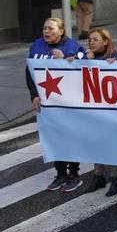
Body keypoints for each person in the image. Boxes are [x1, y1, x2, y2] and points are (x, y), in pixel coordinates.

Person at [27, 17, 85, 192]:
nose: (46, 32)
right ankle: (60, 174)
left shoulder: (72, 46)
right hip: (47, 101)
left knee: (69, 137)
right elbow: (28, 71)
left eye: (50, 28)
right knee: (53, 137)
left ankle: (74, 174)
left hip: (68, 102)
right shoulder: (36, 45)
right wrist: (34, 95)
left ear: (61, 31)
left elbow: (84, 67)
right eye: (44, 28)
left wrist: (66, 59)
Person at [81, 28, 117, 197]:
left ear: (105, 41)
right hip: (94, 107)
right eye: (90, 39)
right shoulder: (86, 58)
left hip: (112, 108)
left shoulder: (115, 58)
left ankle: (115, 177)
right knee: (96, 140)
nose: (91, 42)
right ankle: (98, 175)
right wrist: (85, 61)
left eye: (95, 39)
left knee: (111, 141)